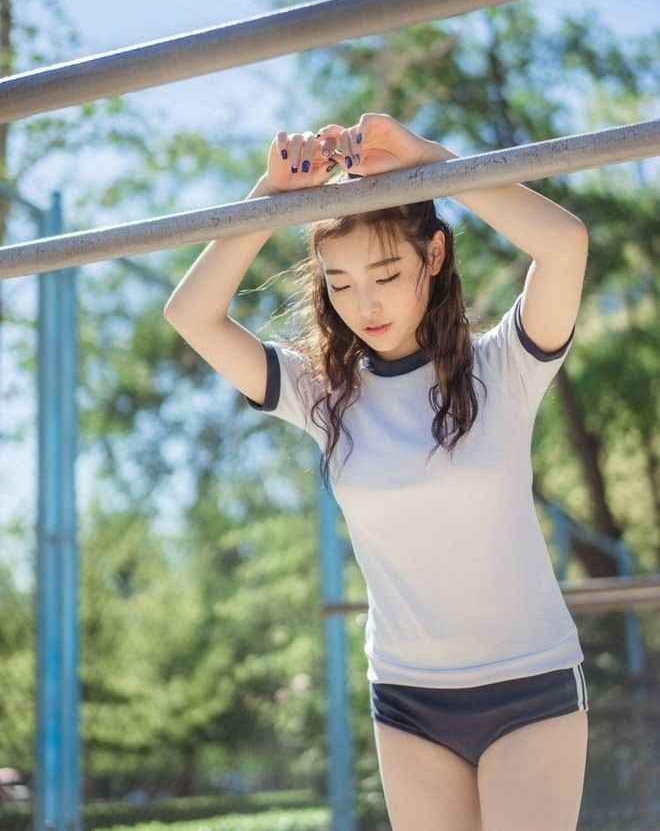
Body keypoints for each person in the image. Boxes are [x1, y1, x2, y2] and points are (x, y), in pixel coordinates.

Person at [164, 112, 590, 831]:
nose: (365, 303)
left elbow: (566, 242)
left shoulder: (504, 367)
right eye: (340, 282)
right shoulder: (326, 394)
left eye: (387, 273)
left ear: (433, 254)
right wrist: (271, 194)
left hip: (532, 686)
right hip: (408, 700)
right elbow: (193, 315)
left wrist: (433, 162)